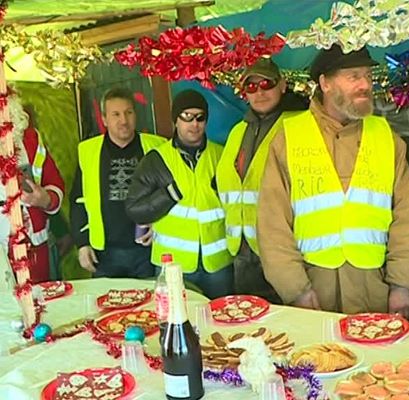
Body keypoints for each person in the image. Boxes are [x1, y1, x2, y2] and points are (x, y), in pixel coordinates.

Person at [257, 44, 409, 316]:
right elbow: (271, 222)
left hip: (375, 289)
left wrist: (402, 284)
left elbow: (408, 215)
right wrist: (295, 289)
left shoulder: (386, 136)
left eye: (368, 77)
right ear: (325, 83)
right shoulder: (288, 137)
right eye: (353, 77)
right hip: (313, 291)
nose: (364, 85)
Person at [216, 57, 307, 303]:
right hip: (243, 252)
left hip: (284, 251)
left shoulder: (300, 126)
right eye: (251, 87)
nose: (260, 92)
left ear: (283, 85)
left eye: (266, 84)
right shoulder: (238, 131)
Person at [126, 90, 233, 298]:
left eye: (200, 118)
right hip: (173, 265)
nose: (194, 124)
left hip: (218, 264)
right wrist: (168, 195)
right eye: (187, 117)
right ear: (176, 120)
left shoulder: (221, 156)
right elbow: (135, 209)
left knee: (222, 322)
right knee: (173, 325)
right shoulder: (156, 159)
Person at [70, 88, 165, 278]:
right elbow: (77, 201)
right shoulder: (88, 151)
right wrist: (82, 244)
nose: (123, 120)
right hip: (104, 254)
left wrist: (160, 225)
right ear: (104, 119)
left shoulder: (157, 147)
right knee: (108, 307)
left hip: (147, 251)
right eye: (116, 114)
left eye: (128, 112)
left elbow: (172, 194)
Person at [0, 94, 65, 283]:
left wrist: (44, 198)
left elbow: (55, 183)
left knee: (45, 304)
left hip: (34, 247)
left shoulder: (29, 139)